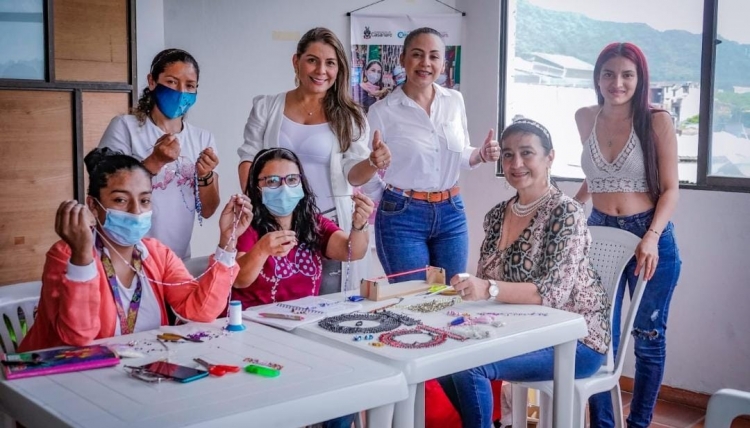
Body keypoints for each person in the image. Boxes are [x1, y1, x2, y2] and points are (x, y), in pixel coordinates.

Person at [436, 118, 611, 428]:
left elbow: (552, 294)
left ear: (550, 157)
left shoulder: (565, 211)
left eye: (526, 153)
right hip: (520, 330)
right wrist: (465, 289)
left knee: (467, 367)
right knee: (439, 354)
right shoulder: (497, 214)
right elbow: (487, 279)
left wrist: (487, 288)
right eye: (507, 154)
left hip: (575, 341)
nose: (516, 163)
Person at [19, 148, 252, 352]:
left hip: (138, 372)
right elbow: (78, 336)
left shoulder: (157, 254)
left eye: (145, 200)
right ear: (93, 205)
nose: (135, 211)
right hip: (64, 381)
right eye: (120, 200)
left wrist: (227, 240)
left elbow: (200, 311)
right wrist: (82, 257)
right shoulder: (67, 254)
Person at [576, 42, 682, 428]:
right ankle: (604, 424)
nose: (616, 82)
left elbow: (670, 189)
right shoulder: (584, 116)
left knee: (648, 338)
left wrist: (651, 237)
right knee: (599, 337)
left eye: (627, 75)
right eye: (608, 74)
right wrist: (571, 208)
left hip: (648, 238)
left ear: (640, 79)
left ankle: (639, 423)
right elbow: (596, 175)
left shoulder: (656, 121)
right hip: (598, 232)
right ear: (597, 77)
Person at [237, 27, 389, 296]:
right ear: (296, 62)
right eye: (312, 60)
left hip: (327, 224)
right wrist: (259, 214)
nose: (321, 70)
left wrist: (373, 162)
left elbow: (353, 175)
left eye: (330, 63)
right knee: (272, 297)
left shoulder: (350, 116)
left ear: (339, 68)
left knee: (328, 303)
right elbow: (249, 160)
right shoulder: (267, 107)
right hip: (274, 221)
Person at [364, 27, 499, 283]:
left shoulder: (454, 101)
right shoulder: (383, 111)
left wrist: (480, 154)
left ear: (442, 62)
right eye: (417, 54)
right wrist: (385, 196)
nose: (426, 63)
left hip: (451, 212)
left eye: (434, 56)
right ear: (403, 59)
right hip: (402, 216)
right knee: (413, 298)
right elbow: (365, 165)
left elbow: (458, 154)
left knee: (451, 295)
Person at [99, 48, 220, 260]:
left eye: (190, 86)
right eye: (172, 82)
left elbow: (208, 210)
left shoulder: (203, 139)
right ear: (152, 82)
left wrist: (205, 176)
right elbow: (105, 192)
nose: (181, 91)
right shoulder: (125, 127)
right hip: (126, 256)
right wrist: (155, 161)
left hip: (177, 260)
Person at [232, 148, 373, 308]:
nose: (284, 188)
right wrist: (262, 250)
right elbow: (238, 280)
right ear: (257, 188)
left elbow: (352, 251)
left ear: (301, 183)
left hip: (302, 320)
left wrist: (359, 224)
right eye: (272, 181)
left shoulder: (313, 223)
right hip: (252, 324)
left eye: (292, 179)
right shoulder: (246, 225)